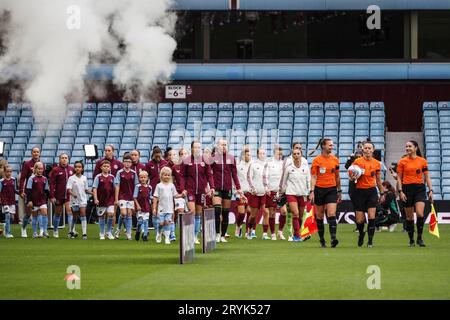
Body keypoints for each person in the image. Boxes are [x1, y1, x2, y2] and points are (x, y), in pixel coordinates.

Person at [396, 141, 433, 247]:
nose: (407, 148)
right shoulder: (402, 161)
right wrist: (400, 191)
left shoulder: (422, 161)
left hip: (419, 189)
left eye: (410, 146)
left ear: (415, 148)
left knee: (420, 214)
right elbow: (399, 178)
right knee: (409, 217)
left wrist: (430, 190)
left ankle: (419, 238)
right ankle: (411, 240)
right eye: (406, 146)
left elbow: (427, 177)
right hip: (407, 189)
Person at [350, 141, 384, 248]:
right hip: (359, 192)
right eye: (366, 148)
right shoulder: (357, 162)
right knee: (359, 220)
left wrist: (382, 192)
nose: (368, 150)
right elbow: (351, 176)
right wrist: (353, 177)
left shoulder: (377, 163)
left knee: (371, 216)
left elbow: (378, 179)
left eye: (370, 148)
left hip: (371, 191)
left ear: (373, 150)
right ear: (362, 149)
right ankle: (361, 234)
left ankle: (370, 241)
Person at [309, 138, 341, 248]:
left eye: (332, 145)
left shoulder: (335, 160)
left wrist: (339, 190)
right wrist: (312, 191)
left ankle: (333, 238)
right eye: (330, 145)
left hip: (331, 189)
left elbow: (337, 176)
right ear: (323, 146)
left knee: (331, 213)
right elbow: (313, 176)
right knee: (319, 215)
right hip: (319, 190)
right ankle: (322, 240)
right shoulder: (316, 160)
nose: (332, 147)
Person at [181, 141, 215, 244]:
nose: (197, 149)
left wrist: (212, 187)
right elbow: (182, 176)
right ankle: (189, 235)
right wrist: (183, 188)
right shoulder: (186, 161)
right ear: (191, 148)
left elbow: (209, 175)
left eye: (199, 147)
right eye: (195, 147)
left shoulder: (205, 160)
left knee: (198, 214)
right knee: (192, 212)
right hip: (190, 190)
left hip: (201, 191)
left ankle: (195, 236)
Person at [210, 139, 243, 243]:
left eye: (225, 144)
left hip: (228, 189)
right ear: (217, 146)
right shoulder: (213, 158)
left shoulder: (231, 158)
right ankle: (217, 234)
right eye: (221, 144)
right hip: (216, 188)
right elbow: (207, 172)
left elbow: (234, 175)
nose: (223, 146)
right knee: (217, 210)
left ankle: (223, 235)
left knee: (225, 213)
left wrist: (238, 188)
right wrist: (209, 185)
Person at [279, 147, 311, 242]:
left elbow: (308, 181)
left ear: (301, 155)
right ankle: (297, 236)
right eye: (294, 154)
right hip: (291, 193)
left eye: (298, 154)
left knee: (300, 216)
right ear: (292, 156)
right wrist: (282, 193)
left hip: (302, 194)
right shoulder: (289, 168)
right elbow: (284, 182)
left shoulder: (305, 168)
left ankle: (296, 233)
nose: (296, 156)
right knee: (295, 213)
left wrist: (309, 192)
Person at [19, 147, 44, 238]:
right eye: (34, 152)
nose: (36, 153)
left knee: (40, 211)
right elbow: (22, 178)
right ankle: (24, 228)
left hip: (39, 192)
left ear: (39, 153)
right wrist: (21, 191)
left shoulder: (41, 164)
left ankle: (39, 231)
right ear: (31, 153)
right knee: (29, 212)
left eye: (37, 152)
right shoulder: (27, 164)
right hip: (29, 192)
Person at [152, 167, 180, 244]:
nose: (167, 177)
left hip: (169, 208)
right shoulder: (159, 186)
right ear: (161, 176)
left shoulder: (172, 185)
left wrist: (182, 195)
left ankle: (167, 238)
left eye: (168, 175)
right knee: (161, 223)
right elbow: (155, 197)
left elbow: (175, 195)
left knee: (167, 222)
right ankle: (159, 233)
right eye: (165, 175)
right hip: (161, 208)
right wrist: (154, 208)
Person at [49, 153, 74, 238]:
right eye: (62, 158)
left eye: (66, 158)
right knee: (58, 213)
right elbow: (52, 183)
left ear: (68, 159)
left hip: (68, 195)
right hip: (58, 195)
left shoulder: (71, 169)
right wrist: (52, 196)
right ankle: (55, 230)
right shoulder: (55, 170)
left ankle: (71, 231)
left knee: (70, 212)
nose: (64, 159)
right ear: (59, 159)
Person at [114, 155, 138, 240]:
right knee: (123, 213)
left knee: (129, 214)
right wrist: (116, 199)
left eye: (129, 162)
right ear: (123, 162)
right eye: (125, 161)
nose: (127, 163)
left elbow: (136, 186)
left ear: (131, 163)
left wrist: (135, 199)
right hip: (122, 196)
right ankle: (119, 229)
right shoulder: (119, 172)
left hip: (130, 197)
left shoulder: (134, 173)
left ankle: (128, 233)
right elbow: (117, 186)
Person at [246, 148, 268, 240]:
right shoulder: (253, 165)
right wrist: (253, 188)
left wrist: (267, 188)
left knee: (266, 212)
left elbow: (268, 178)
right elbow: (249, 177)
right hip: (255, 193)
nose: (262, 155)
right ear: (258, 154)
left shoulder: (267, 165)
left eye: (264, 153)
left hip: (264, 193)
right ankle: (249, 231)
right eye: (261, 153)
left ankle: (265, 234)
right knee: (253, 215)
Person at [66, 161, 91, 240]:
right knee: (74, 217)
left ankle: (84, 233)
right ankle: (71, 231)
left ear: (82, 168)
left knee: (83, 214)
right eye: (76, 167)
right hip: (74, 200)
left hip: (82, 200)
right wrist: (73, 194)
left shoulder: (84, 178)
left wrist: (92, 193)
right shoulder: (71, 178)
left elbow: (86, 190)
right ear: (74, 168)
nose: (78, 168)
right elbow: (68, 190)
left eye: (79, 167)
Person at [165, 148, 186, 241]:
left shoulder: (190, 166)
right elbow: (171, 180)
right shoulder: (175, 167)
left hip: (188, 192)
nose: (183, 156)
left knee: (183, 212)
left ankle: (185, 232)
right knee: (175, 212)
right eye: (181, 154)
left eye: (185, 154)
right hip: (177, 192)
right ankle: (172, 233)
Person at [92, 160, 116, 240]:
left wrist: (116, 199)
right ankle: (102, 233)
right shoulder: (98, 177)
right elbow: (94, 188)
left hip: (110, 199)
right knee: (101, 216)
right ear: (101, 167)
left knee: (111, 214)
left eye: (108, 166)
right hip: (101, 199)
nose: (106, 168)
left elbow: (115, 189)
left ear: (110, 168)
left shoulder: (112, 177)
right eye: (104, 166)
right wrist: (95, 198)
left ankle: (109, 232)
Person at [26, 162, 50, 238]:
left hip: (42, 200)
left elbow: (46, 190)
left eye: (41, 169)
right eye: (39, 169)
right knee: (35, 217)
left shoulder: (45, 179)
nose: (40, 170)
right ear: (35, 169)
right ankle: (35, 232)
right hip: (34, 201)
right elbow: (28, 190)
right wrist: (29, 201)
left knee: (45, 214)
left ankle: (45, 231)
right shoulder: (31, 178)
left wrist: (51, 197)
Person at [265, 146, 284, 240]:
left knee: (284, 212)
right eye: (278, 153)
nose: (280, 155)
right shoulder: (269, 163)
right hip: (272, 191)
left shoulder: (284, 164)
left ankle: (280, 232)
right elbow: (265, 176)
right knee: (272, 213)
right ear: (274, 153)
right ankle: (272, 233)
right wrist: (267, 187)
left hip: (281, 192)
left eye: (281, 153)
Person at [235, 146, 252, 238]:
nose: (248, 157)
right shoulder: (238, 166)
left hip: (250, 192)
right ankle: (238, 226)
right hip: (241, 193)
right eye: (247, 155)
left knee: (249, 211)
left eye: (249, 155)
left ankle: (247, 232)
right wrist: (236, 190)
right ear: (243, 156)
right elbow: (234, 179)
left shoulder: (252, 165)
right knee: (241, 213)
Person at [345, 150, 363, 232]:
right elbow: (346, 166)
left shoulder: (364, 164)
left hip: (363, 189)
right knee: (356, 208)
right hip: (353, 189)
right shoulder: (352, 165)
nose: (358, 158)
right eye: (357, 157)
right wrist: (351, 158)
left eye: (360, 157)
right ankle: (358, 226)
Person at [134, 171, 153, 242]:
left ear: (147, 178)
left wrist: (153, 199)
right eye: (141, 177)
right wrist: (137, 205)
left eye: (144, 177)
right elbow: (135, 197)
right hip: (140, 207)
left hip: (146, 206)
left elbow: (150, 196)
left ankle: (145, 235)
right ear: (139, 178)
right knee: (140, 221)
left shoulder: (150, 187)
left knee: (146, 221)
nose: (143, 179)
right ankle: (138, 231)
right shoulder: (137, 187)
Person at [0, 166, 18, 238]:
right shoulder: (1, 181)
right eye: (7, 171)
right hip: (5, 201)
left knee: (12, 218)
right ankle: (8, 233)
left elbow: (15, 190)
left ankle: (5, 226)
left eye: (10, 171)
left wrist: (21, 193)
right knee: (7, 215)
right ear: (4, 172)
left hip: (12, 201)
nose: (9, 173)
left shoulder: (13, 180)